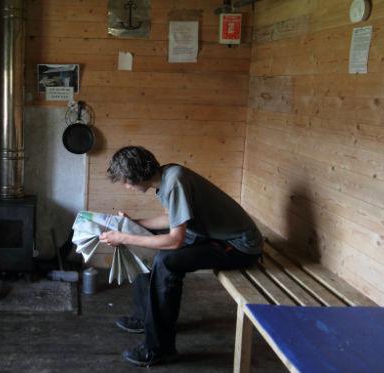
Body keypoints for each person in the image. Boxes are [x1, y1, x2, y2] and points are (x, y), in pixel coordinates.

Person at [99, 146, 262, 367]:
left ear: (139, 175)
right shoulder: (167, 176)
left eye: (127, 180)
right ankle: (144, 317)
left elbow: (174, 240)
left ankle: (160, 349)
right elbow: (171, 219)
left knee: (167, 261)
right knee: (142, 242)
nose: (126, 185)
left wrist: (124, 237)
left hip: (238, 245)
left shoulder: (174, 181)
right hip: (211, 235)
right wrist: (133, 225)